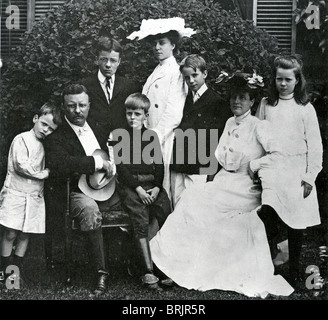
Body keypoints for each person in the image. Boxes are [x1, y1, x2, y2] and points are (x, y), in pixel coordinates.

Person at [150, 74, 294, 298]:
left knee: (205, 207)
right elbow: (221, 157)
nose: (237, 102)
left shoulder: (259, 127)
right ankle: (171, 263)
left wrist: (256, 165)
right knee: (191, 199)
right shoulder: (229, 122)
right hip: (224, 181)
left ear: (252, 102)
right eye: (234, 98)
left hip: (245, 187)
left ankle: (191, 266)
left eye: (243, 98)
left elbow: (279, 153)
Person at [44, 84, 120, 296]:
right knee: (90, 211)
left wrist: (113, 164)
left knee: (142, 201)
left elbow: (114, 148)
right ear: (63, 107)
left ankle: (146, 267)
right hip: (76, 190)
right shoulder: (57, 136)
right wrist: (96, 163)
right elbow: (61, 163)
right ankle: (100, 272)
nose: (77, 110)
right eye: (72, 106)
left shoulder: (99, 126)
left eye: (82, 105)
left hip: (109, 186)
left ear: (89, 105)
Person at [255, 55, 323, 287]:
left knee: (296, 222)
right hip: (273, 168)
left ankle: (294, 268)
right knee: (268, 213)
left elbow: (315, 147)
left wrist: (309, 176)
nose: (283, 84)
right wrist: (257, 166)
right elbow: (257, 136)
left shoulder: (305, 108)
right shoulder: (266, 105)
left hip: (296, 170)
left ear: (297, 81)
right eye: (279, 79)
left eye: (288, 80)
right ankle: (270, 262)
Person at [127, 17, 196, 202]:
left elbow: (174, 112)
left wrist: (154, 136)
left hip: (164, 138)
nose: (157, 47)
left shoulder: (176, 72)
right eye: (155, 43)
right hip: (150, 136)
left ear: (173, 45)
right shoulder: (156, 71)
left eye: (162, 43)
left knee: (164, 188)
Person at [113, 93, 171, 291]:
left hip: (151, 185)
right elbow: (122, 169)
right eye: (129, 113)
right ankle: (147, 270)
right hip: (132, 186)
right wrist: (138, 190)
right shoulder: (121, 136)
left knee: (164, 208)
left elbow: (159, 166)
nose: (132, 118)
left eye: (137, 114)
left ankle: (159, 264)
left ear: (146, 116)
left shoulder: (151, 136)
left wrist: (156, 188)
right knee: (139, 216)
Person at [0, 103, 61, 286]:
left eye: (51, 129)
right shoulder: (22, 139)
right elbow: (20, 165)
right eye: (44, 124)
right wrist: (44, 173)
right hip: (16, 194)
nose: (46, 130)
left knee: (25, 234)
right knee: (11, 233)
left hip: (34, 196)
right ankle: (3, 271)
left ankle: (14, 275)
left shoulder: (45, 145)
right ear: (35, 118)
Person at [170, 54, 231, 207]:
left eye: (195, 75)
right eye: (187, 77)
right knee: (176, 208)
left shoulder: (217, 103)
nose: (191, 81)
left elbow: (219, 140)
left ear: (205, 73)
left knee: (195, 209)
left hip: (200, 167)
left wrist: (212, 172)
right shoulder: (182, 99)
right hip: (180, 164)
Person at [81, 37, 141, 142]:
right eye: (104, 59)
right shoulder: (85, 86)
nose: (108, 65)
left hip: (122, 144)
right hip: (94, 143)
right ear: (97, 60)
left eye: (113, 60)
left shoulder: (129, 86)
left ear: (119, 61)